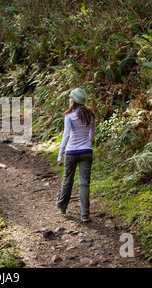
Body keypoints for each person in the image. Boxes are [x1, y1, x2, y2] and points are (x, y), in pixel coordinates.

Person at [57, 88, 96, 222]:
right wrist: (87, 144)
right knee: (84, 183)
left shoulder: (69, 116)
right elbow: (92, 133)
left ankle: (62, 206)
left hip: (71, 152)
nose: (69, 100)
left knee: (68, 179)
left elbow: (66, 135)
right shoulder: (91, 115)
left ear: (73, 100)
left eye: (70, 98)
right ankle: (85, 214)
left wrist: (60, 155)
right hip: (86, 151)